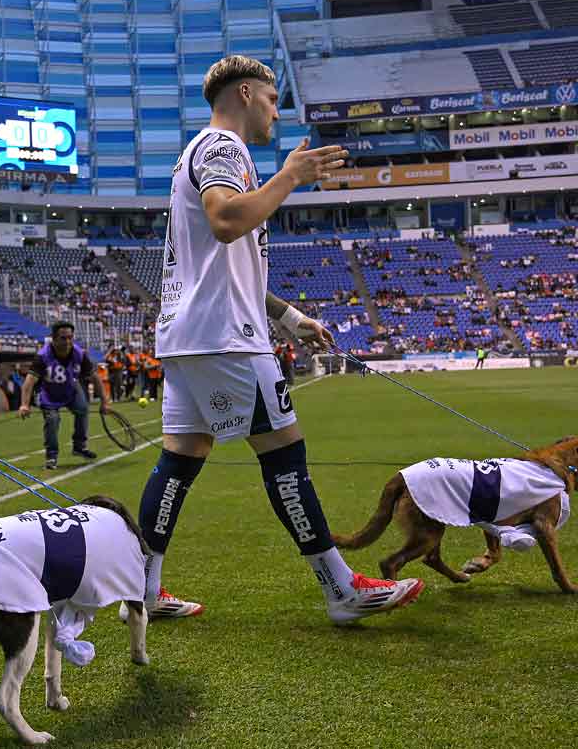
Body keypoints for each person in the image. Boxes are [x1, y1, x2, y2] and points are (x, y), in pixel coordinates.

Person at [133, 54, 421, 625]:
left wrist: (287, 316)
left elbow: (223, 259)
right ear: (244, 93)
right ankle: (341, 588)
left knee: (180, 460)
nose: (275, 112)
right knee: (285, 454)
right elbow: (225, 222)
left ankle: (143, 590)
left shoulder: (194, 153)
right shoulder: (223, 149)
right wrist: (289, 176)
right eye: (270, 99)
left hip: (189, 336)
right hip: (227, 339)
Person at [17, 322, 108, 470]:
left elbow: (95, 378)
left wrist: (105, 402)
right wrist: (24, 404)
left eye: (70, 338)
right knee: (53, 420)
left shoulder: (79, 354)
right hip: (48, 393)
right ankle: (51, 455)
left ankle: (79, 446)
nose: (67, 342)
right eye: (63, 338)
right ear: (53, 338)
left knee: (83, 409)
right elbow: (28, 383)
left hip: (71, 389)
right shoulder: (43, 356)